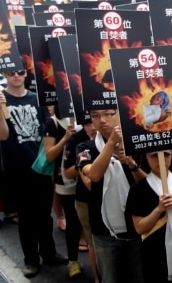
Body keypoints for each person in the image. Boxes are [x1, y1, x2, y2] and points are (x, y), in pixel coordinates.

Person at [0, 68, 67, 278]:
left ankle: (49, 253)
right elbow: (2, 135)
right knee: (26, 216)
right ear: (4, 76)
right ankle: (31, 260)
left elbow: (46, 132)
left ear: (26, 74)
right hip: (15, 167)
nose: (16, 75)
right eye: (11, 72)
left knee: (44, 214)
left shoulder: (36, 98)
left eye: (20, 71)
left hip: (40, 165)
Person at [77, 109, 146, 283]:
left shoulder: (136, 142)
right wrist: (111, 144)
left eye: (108, 114)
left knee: (139, 277)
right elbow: (93, 175)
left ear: (119, 114)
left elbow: (148, 186)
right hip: (105, 233)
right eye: (96, 116)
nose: (102, 120)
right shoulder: (85, 148)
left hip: (138, 228)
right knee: (110, 278)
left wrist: (131, 164)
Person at [126, 150, 172, 283]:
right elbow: (139, 228)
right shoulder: (138, 190)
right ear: (145, 158)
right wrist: (159, 209)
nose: (160, 159)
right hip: (154, 256)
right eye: (153, 155)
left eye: (166, 154)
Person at [43, 108, 85, 278]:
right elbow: (49, 156)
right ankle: (73, 261)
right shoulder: (52, 122)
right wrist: (66, 138)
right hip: (65, 179)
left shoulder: (88, 117)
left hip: (87, 177)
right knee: (73, 220)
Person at [63, 120, 100, 283]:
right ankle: (97, 277)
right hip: (86, 198)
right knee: (92, 239)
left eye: (104, 115)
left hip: (113, 197)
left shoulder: (113, 135)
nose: (93, 126)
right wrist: (84, 164)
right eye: (88, 122)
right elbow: (68, 172)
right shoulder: (76, 141)